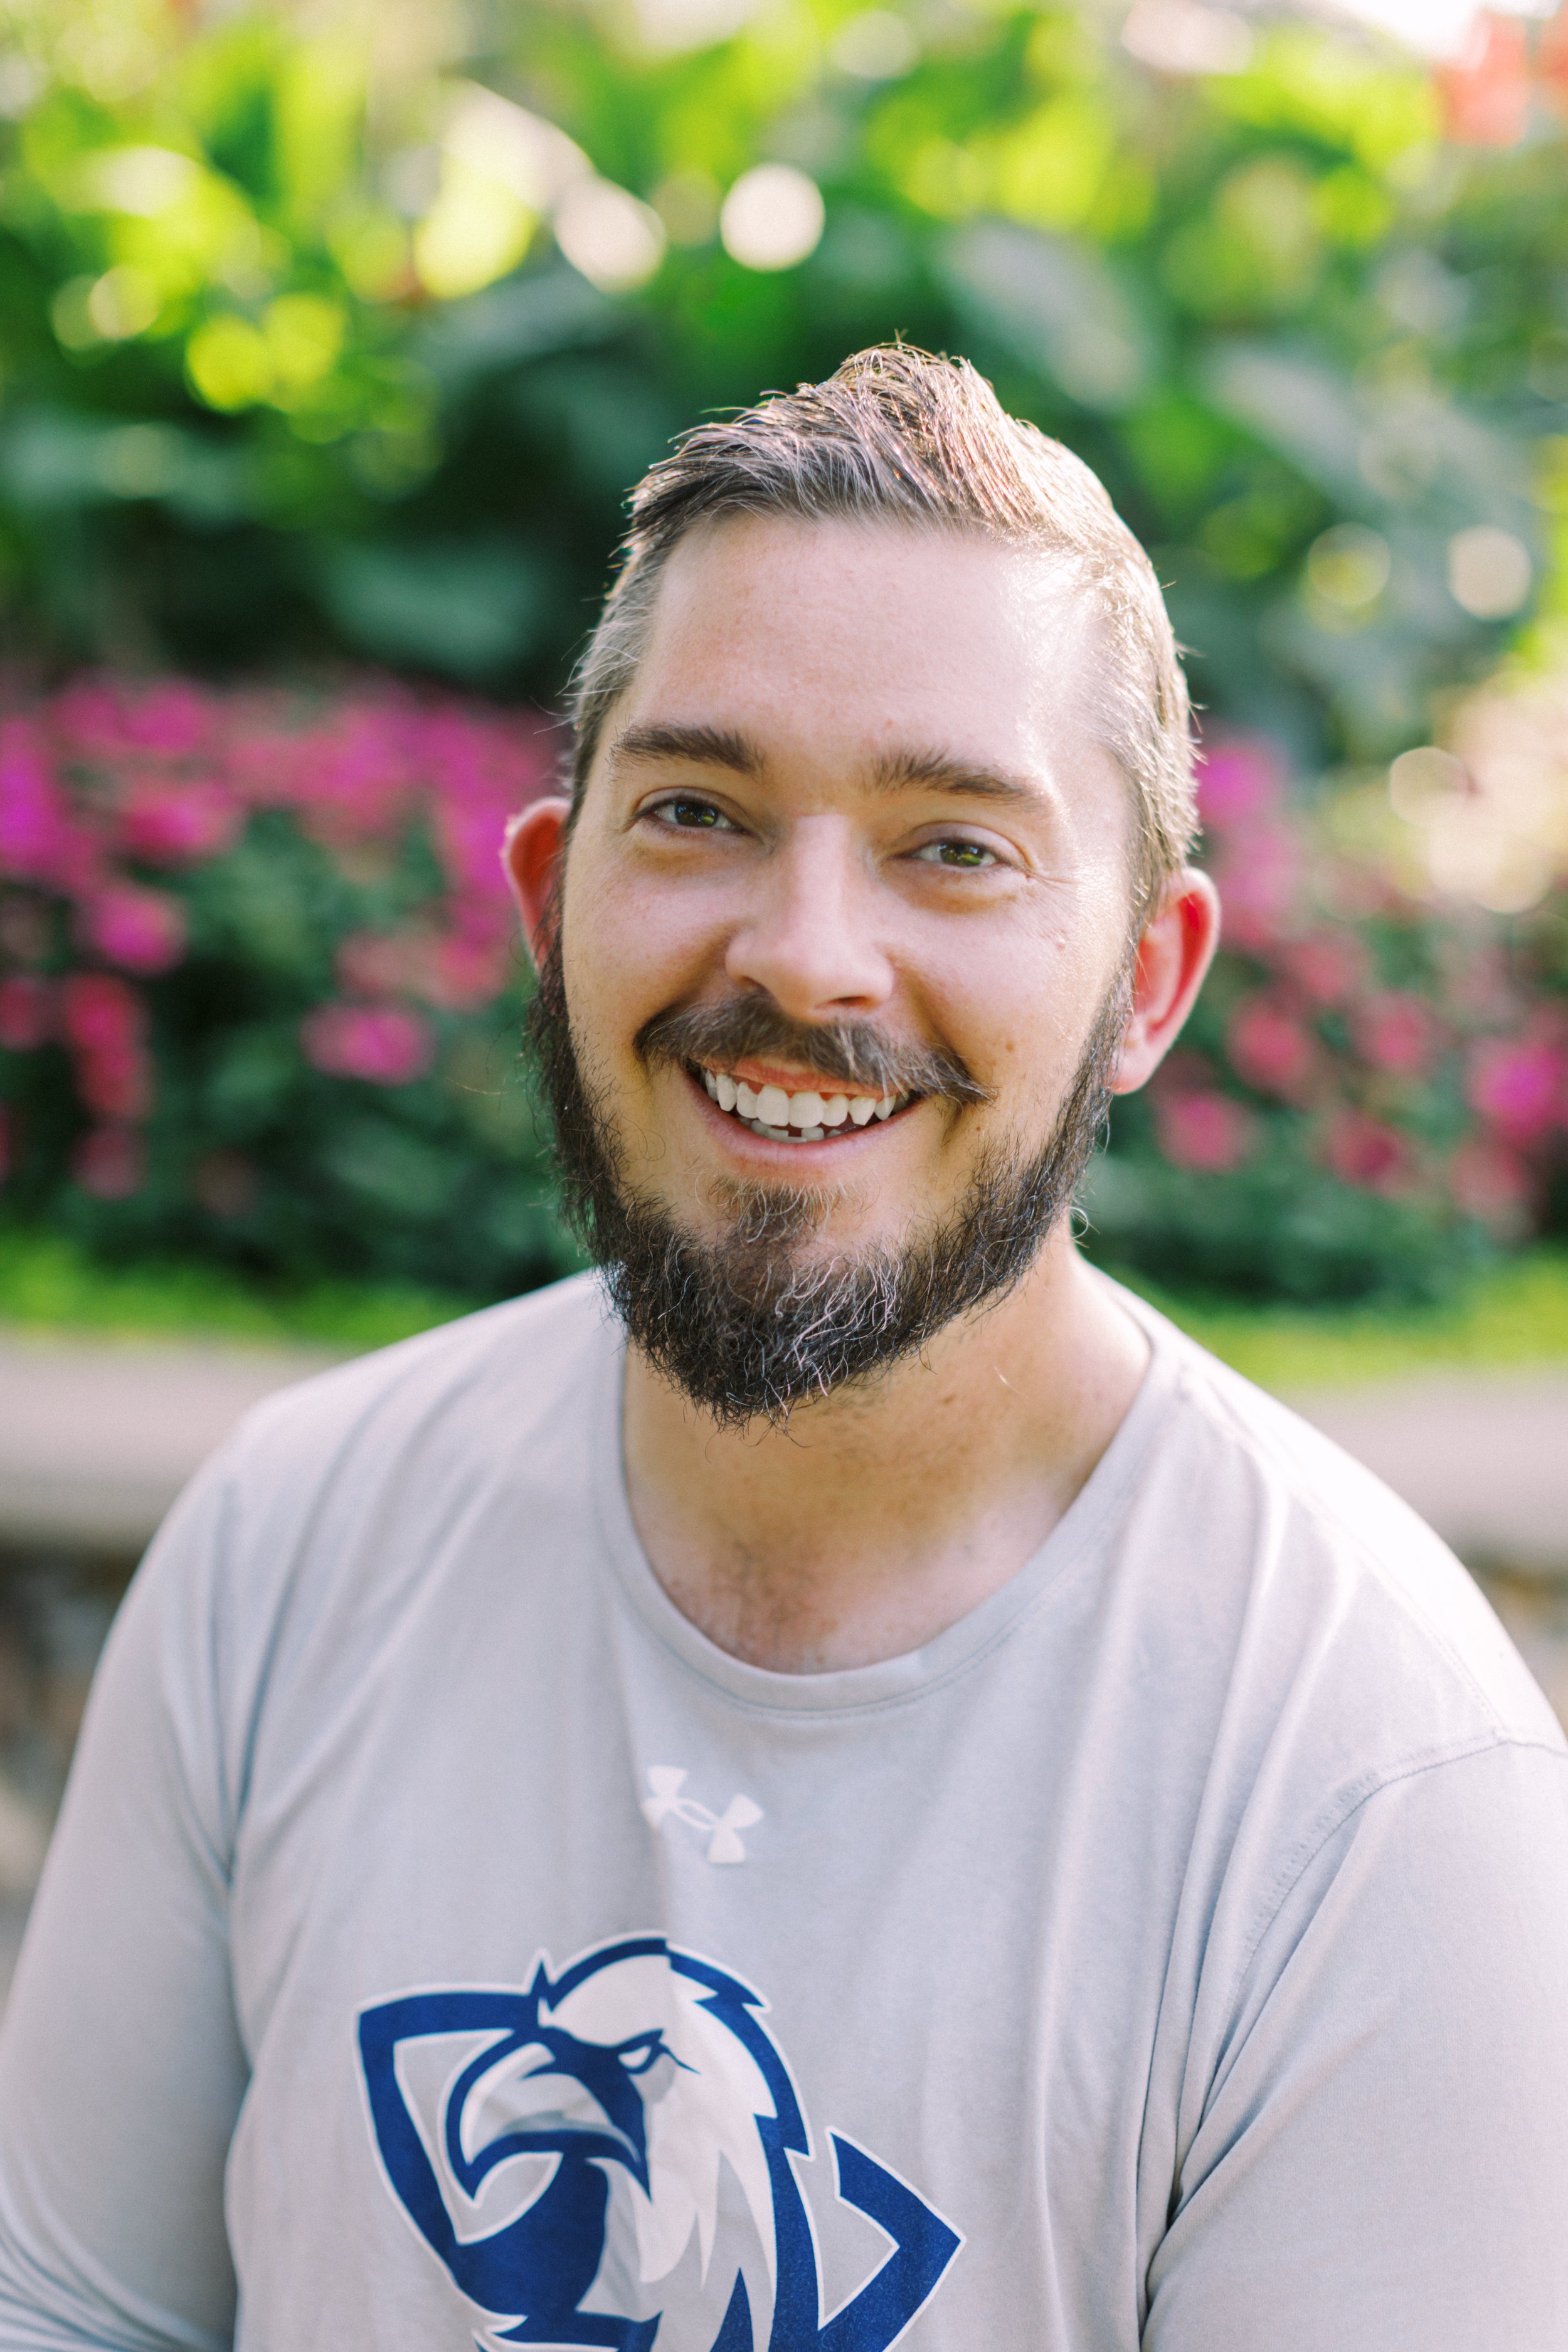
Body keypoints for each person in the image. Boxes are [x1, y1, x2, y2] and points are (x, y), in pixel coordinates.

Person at [0, 346, 1564, 2352]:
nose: (803, 953)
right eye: (699, 811)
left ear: (1146, 984)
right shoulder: (284, 1557)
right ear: (554, 902)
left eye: (954, 845)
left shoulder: (1368, 1787)